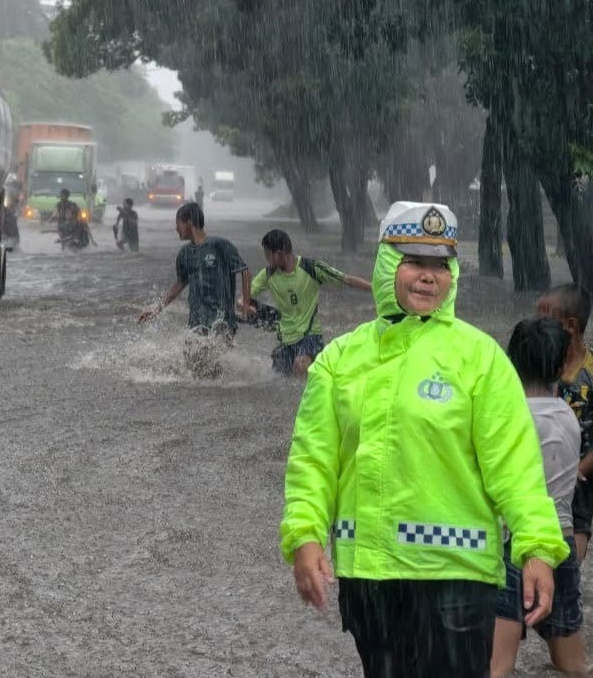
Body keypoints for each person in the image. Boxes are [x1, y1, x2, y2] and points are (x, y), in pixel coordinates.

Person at [281, 201, 568, 678]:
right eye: (414, 261)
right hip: (369, 581)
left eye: (441, 265)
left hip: (457, 582)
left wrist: (538, 545)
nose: (428, 277)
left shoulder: (480, 359)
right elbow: (312, 462)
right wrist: (305, 536)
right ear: (388, 263)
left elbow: (515, 466)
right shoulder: (338, 360)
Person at [491, 316, 585, 678]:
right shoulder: (567, 417)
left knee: (497, 668)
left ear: (510, 360)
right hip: (558, 543)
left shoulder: (505, 418)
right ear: (563, 365)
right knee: (572, 665)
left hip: (513, 542)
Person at [245, 229, 371, 376]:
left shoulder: (311, 267)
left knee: (300, 364)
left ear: (279, 254)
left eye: (268, 255)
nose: (267, 260)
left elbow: (347, 280)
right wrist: (244, 304)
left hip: (311, 336)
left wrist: (375, 289)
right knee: (280, 378)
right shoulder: (268, 274)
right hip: (286, 338)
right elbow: (246, 298)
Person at [537, 284, 593, 561]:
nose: (536, 325)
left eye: (544, 318)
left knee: (570, 553)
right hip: (540, 473)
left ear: (570, 325)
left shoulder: (590, 373)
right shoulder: (540, 365)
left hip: (580, 481)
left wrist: (575, 473)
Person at [137, 202, 251, 336]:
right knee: (190, 354)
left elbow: (245, 272)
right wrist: (157, 308)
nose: (176, 228)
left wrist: (246, 305)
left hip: (221, 320)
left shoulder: (220, 245)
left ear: (189, 222)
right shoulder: (184, 254)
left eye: (178, 223)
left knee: (204, 352)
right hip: (196, 320)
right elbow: (180, 284)